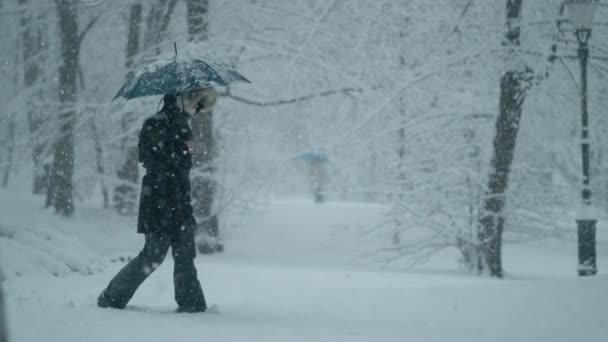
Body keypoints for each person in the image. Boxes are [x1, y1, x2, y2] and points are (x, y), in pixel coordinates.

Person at [97, 90, 208, 313]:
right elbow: (154, 163)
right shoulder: (156, 125)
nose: (194, 108)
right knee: (155, 255)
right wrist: (179, 152)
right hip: (159, 202)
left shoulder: (182, 127)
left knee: (183, 254)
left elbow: (180, 167)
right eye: (192, 103)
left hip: (176, 203)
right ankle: (111, 297)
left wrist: (185, 149)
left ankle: (191, 304)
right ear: (178, 100)